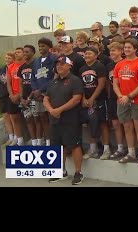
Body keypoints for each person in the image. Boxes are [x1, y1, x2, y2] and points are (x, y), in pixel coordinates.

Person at [44, 55, 84, 185]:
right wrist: (51, 110)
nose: (59, 66)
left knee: (74, 145)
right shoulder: (53, 82)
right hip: (54, 119)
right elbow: (46, 98)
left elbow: (76, 98)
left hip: (71, 119)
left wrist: (59, 110)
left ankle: (78, 173)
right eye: (57, 64)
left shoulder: (75, 80)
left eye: (62, 64)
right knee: (57, 146)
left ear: (69, 66)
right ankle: (61, 171)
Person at [112, 39, 138, 164]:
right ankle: (131, 152)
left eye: (129, 47)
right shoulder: (119, 65)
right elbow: (115, 83)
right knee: (127, 127)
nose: (126, 49)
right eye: (125, 47)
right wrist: (120, 96)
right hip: (122, 101)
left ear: (135, 49)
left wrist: (129, 96)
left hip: (137, 100)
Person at [79, 47, 108, 160]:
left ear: (96, 55)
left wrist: (92, 98)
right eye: (85, 54)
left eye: (89, 53)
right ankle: (93, 149)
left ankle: (106, 149)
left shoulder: (99, 66)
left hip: (100, 100)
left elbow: (101, 84)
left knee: (102, 123)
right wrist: (84, 99)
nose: (87, 55)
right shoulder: (82, 69)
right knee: (91, 123)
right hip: (87, 101)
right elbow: (81, 86)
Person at [31, 37, 57, 147]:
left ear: (49, 47)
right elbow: (33, 78)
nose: (41, 48)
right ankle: (47, 141)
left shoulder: (54, 59)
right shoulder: (36, 61)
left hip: (49, 93)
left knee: (51, 118)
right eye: (39, 46)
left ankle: (53, 140)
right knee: (42, 118)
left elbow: (54, 77)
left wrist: (42, 91)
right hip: (38, 94)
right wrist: (36, 90)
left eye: (43, 46)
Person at [106, 42, 126, 159]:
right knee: (115, 123)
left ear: (120, 51)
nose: (112, 52)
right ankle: (120, 147)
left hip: (124, 96)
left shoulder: (124, 63)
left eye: (114, 50)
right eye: (111, 50)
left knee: (126, 124)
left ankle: (130, 148)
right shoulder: (109, 66)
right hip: (112, 97)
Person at [18, 45, 41, 146]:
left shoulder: (36, 64)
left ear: (33, 53)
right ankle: (33, 141)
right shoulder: (21, 67)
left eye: (27, 52)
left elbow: (38, 82)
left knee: (37, 119)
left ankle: (40, 141)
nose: (25, 54)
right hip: (24, 98)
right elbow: (21, 83)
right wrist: (22, 97)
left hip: (34, 97)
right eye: (24, 52)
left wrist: (29, 97)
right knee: (28, 119)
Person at [6, 48, 25, 146]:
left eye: (18, 52)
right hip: (13, 96)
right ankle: (19, 139)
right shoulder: (10, 67)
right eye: (15, 52)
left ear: (23, 53)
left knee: (30, 119)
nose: (16, 54)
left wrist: (18, 95)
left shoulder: (26, 65)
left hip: (23, 95)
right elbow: (8, 83)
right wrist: (11, 95)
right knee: (14, 117)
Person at [0, 51, 15, 145]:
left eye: (9, 58)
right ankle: (10, 137)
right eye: (6, 58)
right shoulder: (0, 70)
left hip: (11, 96)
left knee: (13, 117)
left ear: (13, 59)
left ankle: (16, 137)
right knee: (6, 118)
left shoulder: (14, 69)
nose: (7, 60)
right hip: (2, 96)